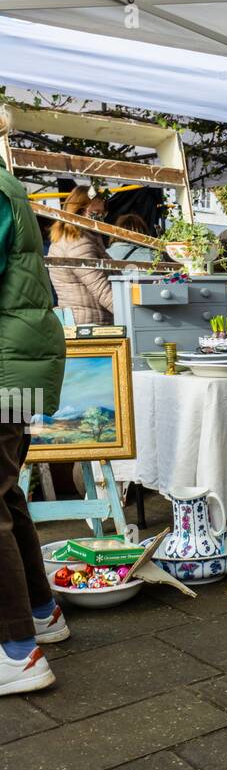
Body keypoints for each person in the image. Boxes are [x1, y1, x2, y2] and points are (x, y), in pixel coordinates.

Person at [0, 107, 70, 696]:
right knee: (6, 490)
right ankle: (41, 614)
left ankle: (14, 648)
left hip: (6, 362)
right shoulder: (7, 186)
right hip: (17, 363)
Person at [47, 186, 115, 324]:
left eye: (103, 214)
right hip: (88, 324)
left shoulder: (83, 237)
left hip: (86, 319)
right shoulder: (77, 242)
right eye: (96, 213)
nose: (100, 218)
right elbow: (101, 288)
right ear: (79, 210)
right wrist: (132, 311)